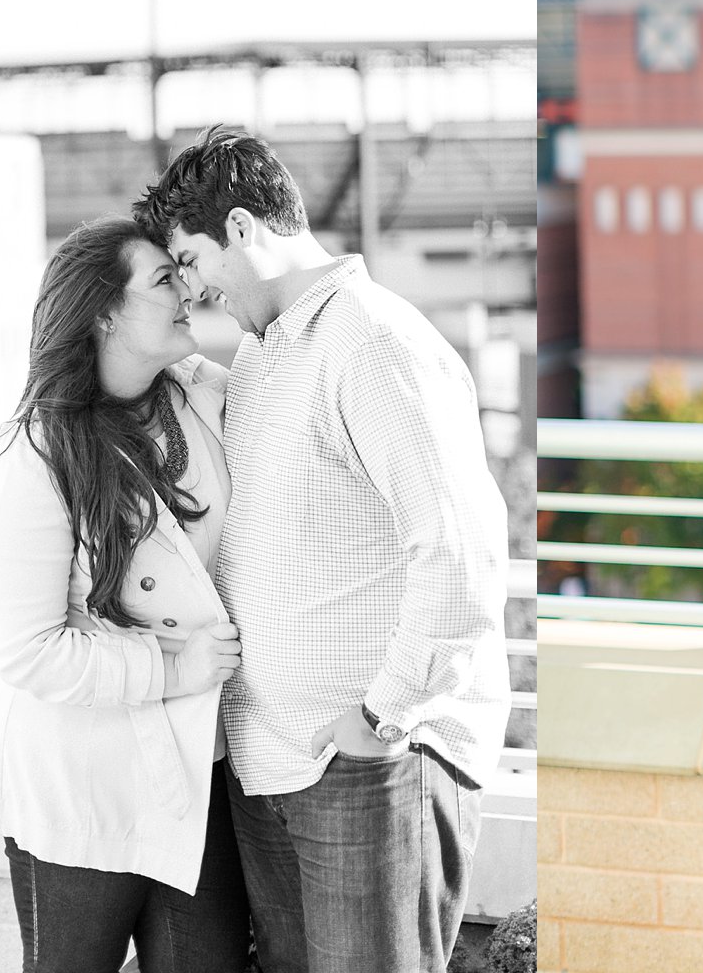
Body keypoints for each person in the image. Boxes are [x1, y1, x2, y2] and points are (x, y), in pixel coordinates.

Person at [135, 126, 510, 973]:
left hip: (370, 764)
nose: (191, 291)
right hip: (274, 766)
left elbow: (462, 549)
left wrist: (380, 715)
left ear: (240, 228)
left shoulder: (373, 343)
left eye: (190, 262)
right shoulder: (265, 355)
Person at [0, 216, 251, 972]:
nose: (188, 289)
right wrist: (171, 669)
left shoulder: (204, 397)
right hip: (80, 774)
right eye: (164, 280)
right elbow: (27, 652)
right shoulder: (35, 452)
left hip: (198, 763)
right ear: (104, 312)